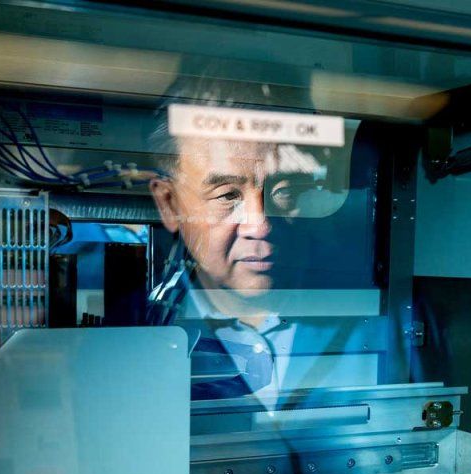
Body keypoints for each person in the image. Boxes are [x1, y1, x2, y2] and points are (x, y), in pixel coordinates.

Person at [145, 75, 360, 399]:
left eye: (286, 190)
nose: (259, 225)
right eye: (228, 195)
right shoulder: (130, 333)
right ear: (170, 204)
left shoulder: (374, 315)